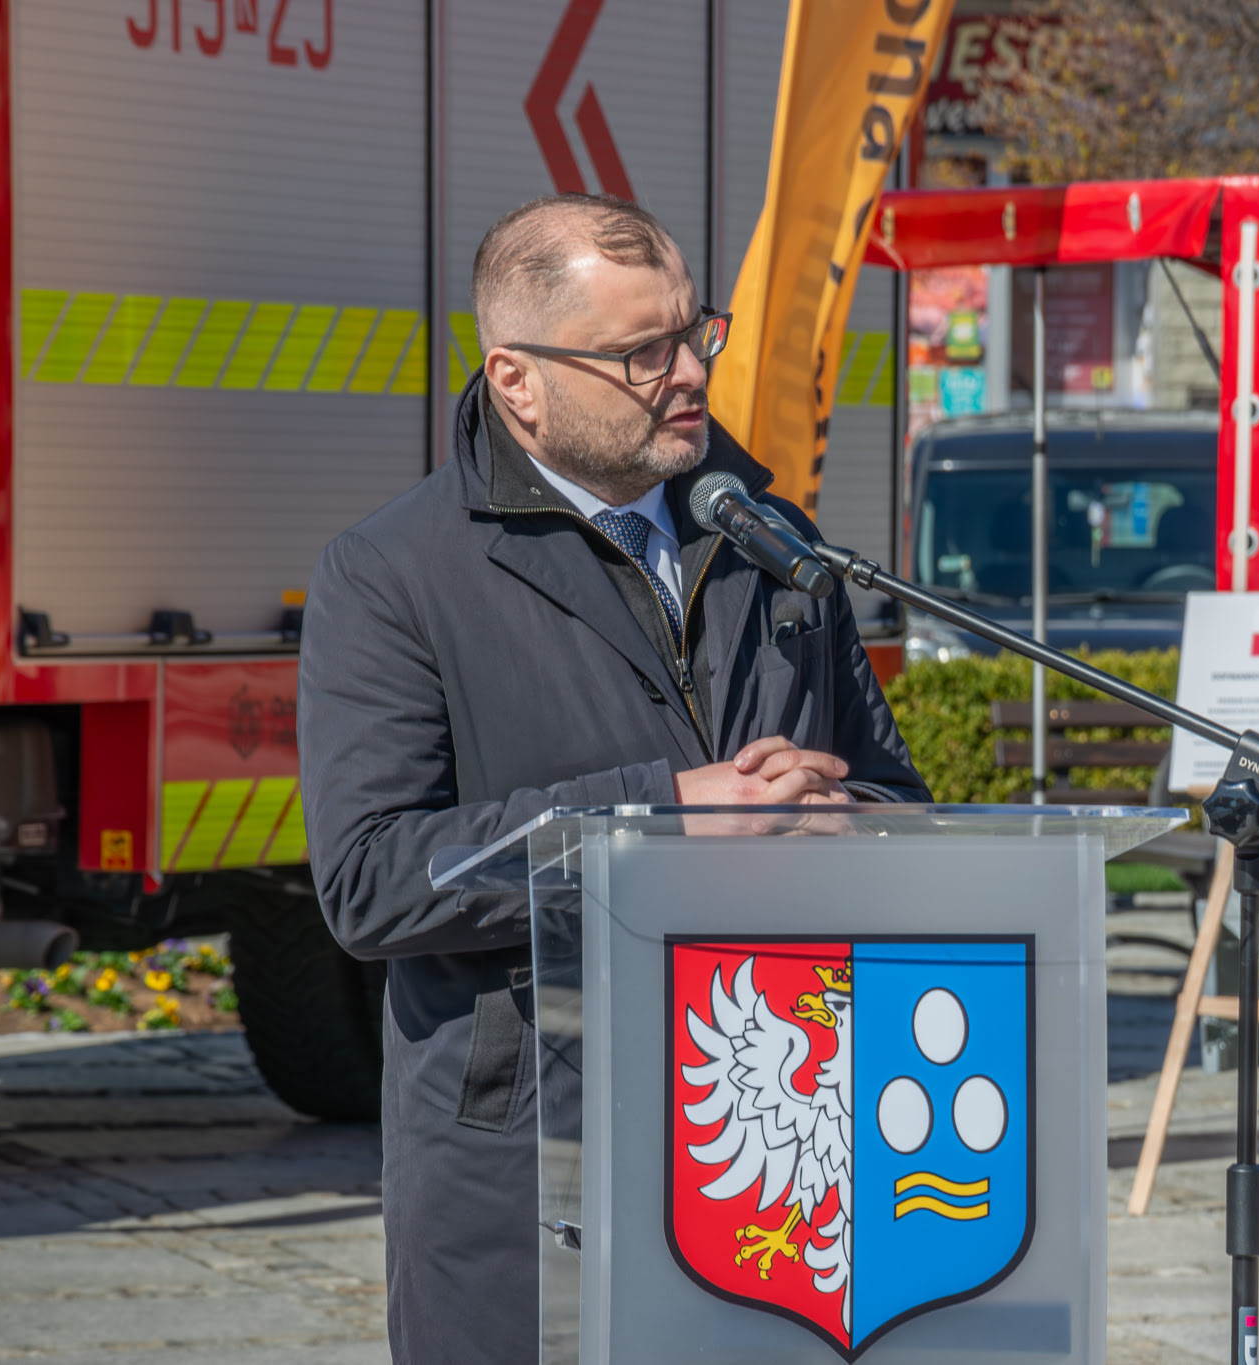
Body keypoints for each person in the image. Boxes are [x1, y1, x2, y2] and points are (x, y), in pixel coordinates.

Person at [297, 192, 929, 1365]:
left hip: (779, 1142)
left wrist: (846, 817)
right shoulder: (391, 575)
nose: (687, 372)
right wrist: (660, 818)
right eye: (642, 351)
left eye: (694, 332)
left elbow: (897, 796)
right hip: (531, 1150)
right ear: (517, 380)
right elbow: (371, 880)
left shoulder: (769, 540)